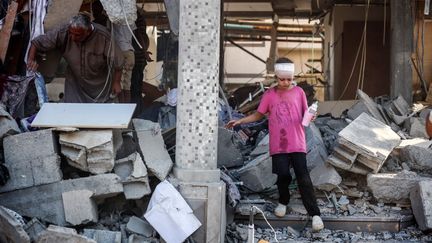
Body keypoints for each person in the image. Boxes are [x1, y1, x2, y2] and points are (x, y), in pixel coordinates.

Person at [226, 57, 324, 232]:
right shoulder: (269, 95)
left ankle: (315, 214)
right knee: (283, 175)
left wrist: (312, 115)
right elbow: (258, 115)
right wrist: (239, 122)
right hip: (278, 143)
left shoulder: (299, 93)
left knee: (303, 177)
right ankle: (283, 201)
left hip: (297, 141)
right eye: (282, 79)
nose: (285, 83)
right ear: (276, 77)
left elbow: (305, 114)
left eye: (289, 79)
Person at [27, 13, 124, 103]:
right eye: (71, 33)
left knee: (99, 116)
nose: (72, 38)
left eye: (77, 35)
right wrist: (31, 60)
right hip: (75, 86)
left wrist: (116, 82)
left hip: (99, 86)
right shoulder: (64, 32)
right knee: (73, 114)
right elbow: (37, 42)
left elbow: (118, 61)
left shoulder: (104, 37)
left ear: (88, 31)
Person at [130, 7, 153, 116]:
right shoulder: (136, 16)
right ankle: (137, 113)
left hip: (137, 57)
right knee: (136, 88)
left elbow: (139, 35)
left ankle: (135, 114)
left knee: (134, 88)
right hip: (139, 57)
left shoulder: (134, 16)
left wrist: (144, 51)